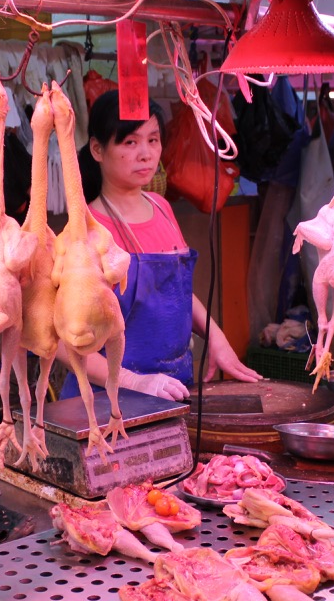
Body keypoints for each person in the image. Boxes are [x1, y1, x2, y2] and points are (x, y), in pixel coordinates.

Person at [62, 90, 260, 402]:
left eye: (153, 140)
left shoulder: (162, 208)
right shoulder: (85, 230)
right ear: (98, 150)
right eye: (130, 142)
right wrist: (134, 382)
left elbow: (175, 293)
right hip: (105, 403)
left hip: (170, 390)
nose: (146, 153)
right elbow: (64, 343)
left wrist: (217, 339)